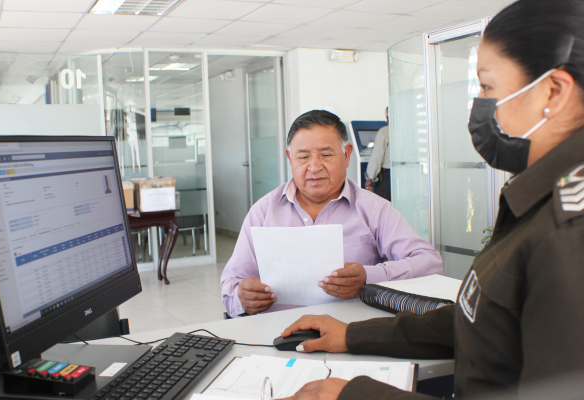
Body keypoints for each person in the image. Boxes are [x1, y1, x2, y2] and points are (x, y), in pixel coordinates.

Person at [277, 0, 584, 399]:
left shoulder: (569, 234)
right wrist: (353, 335)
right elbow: (481, 320)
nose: (478, 107)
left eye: (488, 87)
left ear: (554, 91)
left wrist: (351, 395)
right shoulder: (539, 200)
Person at [220, 110, 443, 317]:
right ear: (290, 158)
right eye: (303, 157)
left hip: (351, 331)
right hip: (276, 331)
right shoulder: (263, 212)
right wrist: (242, 297)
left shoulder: (373, 209)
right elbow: (230, 284)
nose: (314, 167)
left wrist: (369, 277)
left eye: (326, 154)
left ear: (346, 155)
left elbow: (430, 263)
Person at [365, 107, 391, 201]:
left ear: (387, 117)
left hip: (387, 178)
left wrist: (369, 177)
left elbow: (377, 157)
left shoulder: (384, 132)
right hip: (406, 176)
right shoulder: (408, 131)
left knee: (382, 205)